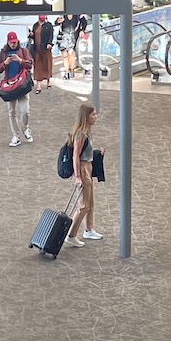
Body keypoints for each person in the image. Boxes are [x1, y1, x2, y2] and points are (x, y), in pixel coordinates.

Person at [67, 102, 102, 246]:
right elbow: (76, 155)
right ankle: (71, 234)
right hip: (83, 169)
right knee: (83, 205)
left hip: (88, 167)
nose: (96, 117)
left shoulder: (87, 131)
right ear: (86, 116)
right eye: (93, 114)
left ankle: (88, 229)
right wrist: (78, 177)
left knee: (90, 202)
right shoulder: (81, 133)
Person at [0, 31, 33, 147]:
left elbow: (30, 64)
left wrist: (20, 60)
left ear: (17, 41)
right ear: (7, 42)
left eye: (14, 42)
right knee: (11, 112)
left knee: (25, 110)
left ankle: (25, 128)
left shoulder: (23, 51)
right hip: (10, 86)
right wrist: (5, 63)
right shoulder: (3, 53)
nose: (13, 44)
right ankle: (16, 136)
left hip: (22, 85)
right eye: (11, 43)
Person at [30, 15, 55, 94]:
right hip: (37, 49)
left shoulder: (49, 25)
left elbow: (51, 35)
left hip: (46, 48)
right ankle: (39, 85)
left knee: (47, 65)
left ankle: (48, 81)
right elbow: (33, 36)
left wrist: (49, 43)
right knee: (38, 66)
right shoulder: (35, 25)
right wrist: (31, 35)